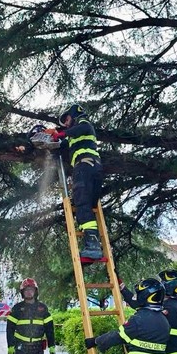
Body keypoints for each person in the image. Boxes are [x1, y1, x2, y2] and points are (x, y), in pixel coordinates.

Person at [47, 103, 104, 262]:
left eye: (66, 119)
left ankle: (92, 245)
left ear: (74, 115)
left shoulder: (83, 123)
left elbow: (80, 129)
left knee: (82, 204)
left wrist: (60, 133)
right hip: (95, 168)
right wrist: (52, 144)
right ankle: (93, 243)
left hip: (84, 166)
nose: (65, 124)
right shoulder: (75, 137)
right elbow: (61, 145)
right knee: (88, 205)